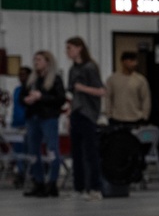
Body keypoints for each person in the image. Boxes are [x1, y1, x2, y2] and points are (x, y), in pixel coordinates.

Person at [20, 50, 66, 198]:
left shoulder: (55, 79)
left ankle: (52, 183)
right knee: (33, 152)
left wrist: (42, 97)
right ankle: (38, 182)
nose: (36, 62)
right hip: (33, 118)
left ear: (47, 62)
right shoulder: (31, 80)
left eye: (39, 59)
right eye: (35, 60)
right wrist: (26, 100)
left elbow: (60, 99)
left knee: (52, 150)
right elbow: (22, 96)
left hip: (48, 118)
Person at [65, 36, 106, 200]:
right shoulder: (72, 70)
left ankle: (95, 188)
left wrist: (83, 88)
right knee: (76, 153)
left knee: (90, 152)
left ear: (79, 48)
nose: (67, 52)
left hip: (88, 113)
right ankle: (79, 187)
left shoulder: (90, 67)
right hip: (76, 112)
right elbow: (72, 94)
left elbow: (101, 91)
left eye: (70, 48)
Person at [105, 52, 150, 128]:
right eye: (131, 61)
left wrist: (145, 116)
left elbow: (146, 99)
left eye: (135, 61)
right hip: (117, 119)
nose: (134, 64)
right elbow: (108, 97)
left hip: (136, 119)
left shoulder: (140, 80)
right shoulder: (112, 79)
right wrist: (109, 115)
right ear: (123, 62)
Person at [8, 66, 32, 189]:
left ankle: (29, 174)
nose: (21, 76)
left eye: (24, 74)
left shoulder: (32, 89)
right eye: (20, 74)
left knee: (28, 150)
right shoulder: (17, 90)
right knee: (17, 151)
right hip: (16, 123)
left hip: (27, 124)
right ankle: (21, 173)